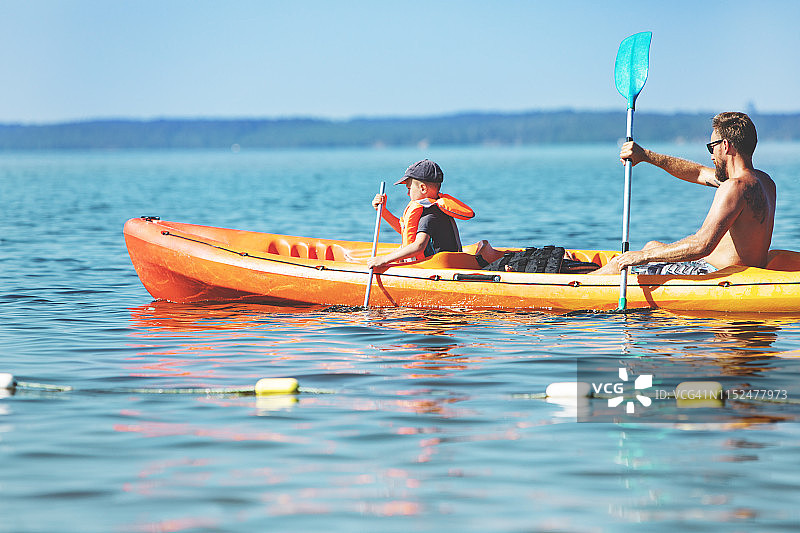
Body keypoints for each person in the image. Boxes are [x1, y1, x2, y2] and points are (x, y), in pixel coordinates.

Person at [592, 112, 775, 276]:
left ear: (725, 146)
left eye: (712, 147)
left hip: (716, 275)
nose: (711, 156)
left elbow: (701, 245)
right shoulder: (764, 182)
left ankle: (580, 284)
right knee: (652, 245)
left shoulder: (733, 187)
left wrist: (642, 257)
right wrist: (645, 155)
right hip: (740, 271)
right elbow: (698, 173)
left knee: (619, 265)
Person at [366, 159, 478, 268]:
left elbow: (418, 246)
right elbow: (405, 230)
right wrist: (383, 211)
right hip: (440, 264)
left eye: (409, 188)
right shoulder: (431, 208)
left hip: (438, 269)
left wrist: (384, 259)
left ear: (423, 188)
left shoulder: (430, 215)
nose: (408, 193)